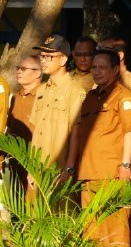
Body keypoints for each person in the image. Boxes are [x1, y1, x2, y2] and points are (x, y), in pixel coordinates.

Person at [70, 49, 131, 247]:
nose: (96, 71)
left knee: (116, 221)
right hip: (89, 168)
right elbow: (79, 133)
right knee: (92, 222)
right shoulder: (90, 97)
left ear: (115, 69)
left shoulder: (125, 97)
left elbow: (130, 132)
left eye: (102, 67)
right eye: (94, 68)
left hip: (112, 168)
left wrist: (126, 164)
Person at [29, 35, 87, 172]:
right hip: (37, 168)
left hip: (59, 168)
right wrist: (31, 167)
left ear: (63, 59)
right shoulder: (41, 89)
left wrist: (69, 167)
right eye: (41, 56)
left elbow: (76, 132)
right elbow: (35, 130)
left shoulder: (75, 90)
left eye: (49, 57)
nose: (43, 61)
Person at [7, 55, 42, 143]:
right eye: (18, 68)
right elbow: (10, 127)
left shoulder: (44, 96)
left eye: (23, 69)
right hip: (13, 153)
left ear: (37, 73)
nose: (18, 72)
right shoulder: (16, 96)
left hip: (35, 154)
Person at [99, 37, 131, 102]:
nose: (101, 56)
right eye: (100, 51)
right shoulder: (99, 79)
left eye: (106, 51)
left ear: (120, 55)